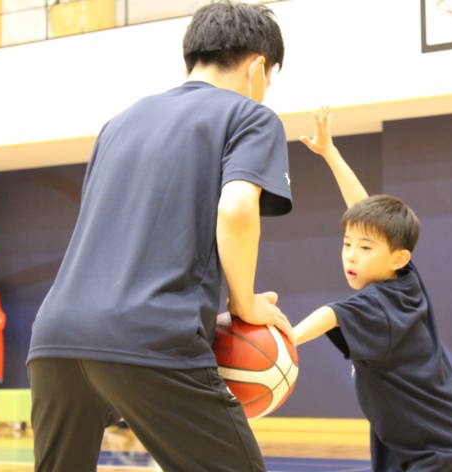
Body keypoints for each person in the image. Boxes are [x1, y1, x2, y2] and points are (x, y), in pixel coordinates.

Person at [26, 2, 293, 471]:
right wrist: (244, 303)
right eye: (270, 78)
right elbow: (235, 208)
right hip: (149, 335)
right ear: (257, 67)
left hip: (54, 340)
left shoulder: (118, 123)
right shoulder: (250, 116)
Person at [294, 107, 452, 471]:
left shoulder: (380, 301)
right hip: (400, 435)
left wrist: (283, 339)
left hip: (435, 442)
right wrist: (331, 152)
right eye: (347, 244)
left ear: (397, 256)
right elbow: (362, 208)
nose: (352, 255)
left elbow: (331, 315)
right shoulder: (404, 277)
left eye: (365, 248)